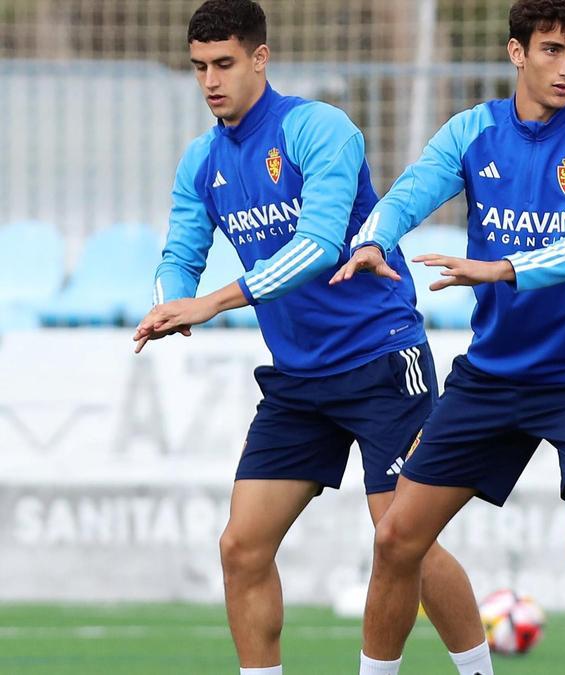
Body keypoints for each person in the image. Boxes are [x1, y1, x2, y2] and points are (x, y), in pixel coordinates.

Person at [132, 2, 492, 674]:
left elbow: (320, 246)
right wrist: (168, 303)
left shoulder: (319, 130)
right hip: (299, 379)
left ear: (260, 59)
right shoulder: (201, 160)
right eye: (199, 68)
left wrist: (211, 302)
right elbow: (180, 250)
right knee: (242, 545)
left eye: (224, 64)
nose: (210, 80)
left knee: (401, 537)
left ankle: (477, 670)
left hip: (382, 359)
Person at [328, 1, 565, 673]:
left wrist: (503, 268)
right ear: (516, 52)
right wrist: (373, 237)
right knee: (396, 539)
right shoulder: (474, 131)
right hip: (493, 376)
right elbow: (413, 191)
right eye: (554, 50)